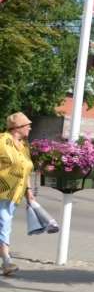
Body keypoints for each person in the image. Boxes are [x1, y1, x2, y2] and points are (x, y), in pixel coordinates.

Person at [1, 113, 36, 276]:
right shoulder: (2, 141)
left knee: (4, 223)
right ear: (17, 128)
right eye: (26, 125)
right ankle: (7, 260)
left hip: (16, 193)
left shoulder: (24, 146)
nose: (30, 127)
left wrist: (29, 191)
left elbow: (26, 169)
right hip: (2, 191)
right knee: (4, 223)